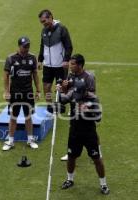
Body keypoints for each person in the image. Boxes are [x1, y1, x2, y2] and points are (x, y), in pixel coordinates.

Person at [58, 54, 110, 195]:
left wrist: (85, 105)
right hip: (74, 125)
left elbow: (93, 98)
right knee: (71, 156)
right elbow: (66, 97)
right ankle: (70, 179)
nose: (70, 65)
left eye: (73, 64)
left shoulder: (89, 78)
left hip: (87, 126)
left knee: (96, 158)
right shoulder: (70, 76)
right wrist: (62, 90)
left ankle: (103, 184)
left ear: (80, 65)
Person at [2, 36, 41, 151]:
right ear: (19, 46)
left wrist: (38, 90)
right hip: (15, 92)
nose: (27, 48)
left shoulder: (32, 58)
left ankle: (30, 140)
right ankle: (10, 141)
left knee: (28, 116)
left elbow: (35, 75)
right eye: (24, 46)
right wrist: (6, 91)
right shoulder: (11, 58)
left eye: (28, 46)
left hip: (28, 92)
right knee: (13, 117)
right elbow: (5, 76)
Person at [37, 9, 73, 103]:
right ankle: (50, 107)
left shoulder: (62, 29)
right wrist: (40, 60)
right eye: (41, 22)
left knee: (62, 88)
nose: (43, 24)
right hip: (47, 65)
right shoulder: (44, 31)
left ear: (51, 17)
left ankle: (65, 105)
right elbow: (42, 45)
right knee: (46, 86)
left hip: (60, 65)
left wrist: (66, 60)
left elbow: (68, 46)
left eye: (44, 21)